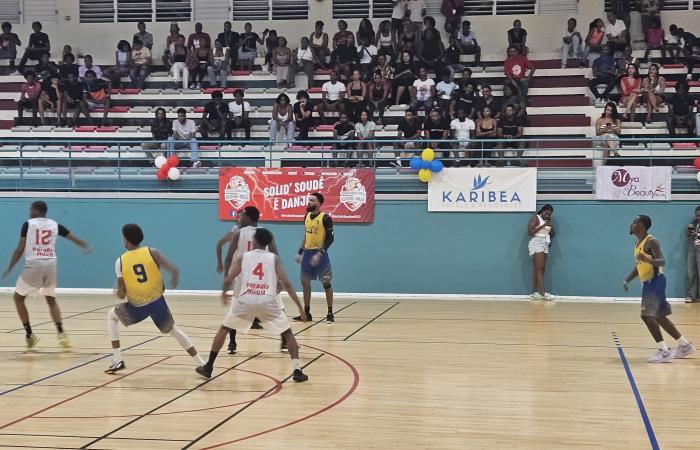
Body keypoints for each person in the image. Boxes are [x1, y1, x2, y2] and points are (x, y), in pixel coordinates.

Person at [197, 228, 309, 381]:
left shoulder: (244, 256)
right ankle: (297, 370)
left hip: (246, 299)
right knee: (287, 333)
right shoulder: (274, 258)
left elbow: (229, 279)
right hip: (267, 300)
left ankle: (208, 366)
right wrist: (300, 308)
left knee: (224, 329)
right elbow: (287, 284)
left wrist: (223, 293)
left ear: (255, 240)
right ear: (268, 243)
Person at [106, 224, 205, 374]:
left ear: (126, 240)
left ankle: (117, 359)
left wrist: (117, 289)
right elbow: (174, 270)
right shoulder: (153, 252)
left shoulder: (120, 261)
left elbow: (122, 294)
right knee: (174, 330)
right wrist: (172, 280)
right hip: (158, 303)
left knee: (111, 316)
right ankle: (201, 362)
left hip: (137, 308)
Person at [2, 201, 90, 348]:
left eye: (31, 209)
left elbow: (20, 249)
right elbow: (72, 237)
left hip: (34, 264)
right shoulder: (55, 224)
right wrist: (84, 245)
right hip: (50, 264)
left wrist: (10, 267)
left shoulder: (28, 224)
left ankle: (30, 335)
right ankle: (61, 334)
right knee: (51, 300)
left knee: (18, 299)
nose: (29, 211)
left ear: (37, 210)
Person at [623, 215, 696, 363]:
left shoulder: (651, 241)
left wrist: (648, 259)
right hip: (649, 283)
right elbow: (639, 265)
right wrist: (627, 279)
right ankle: (685, 345)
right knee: (659, 317)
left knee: (647, 316)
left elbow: (662, 261)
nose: (631, 225)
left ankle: (664, 351)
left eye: (634, 222)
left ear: (641, 226)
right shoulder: (637, 243)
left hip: (656, 282)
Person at [219, 206, 278, 353]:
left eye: (242, 216)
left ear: (248, 218)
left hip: (244, 277)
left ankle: (232, 343)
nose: (239, 218)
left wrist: (227, 277)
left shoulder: (239, 233)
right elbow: (276, 255)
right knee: (278, 308)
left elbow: (227, 258)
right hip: (262, 278)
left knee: (234, 311)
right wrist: (277, 277)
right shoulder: (264, 233)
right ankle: (284, 340)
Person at [294, 193, 335, 323]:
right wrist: (300, 252)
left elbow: (331, 238)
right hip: (307, 254)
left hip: (320, 253)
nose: (309, 202)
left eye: (312, 200)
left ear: (318, 203)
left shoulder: (326, 218)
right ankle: (306, 313)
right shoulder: (306, 216)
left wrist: (320, 253)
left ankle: (330, 313)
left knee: (326, 283)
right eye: (309, 200)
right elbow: (306, 235)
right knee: (304, 282)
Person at [528, 205, 555, 300]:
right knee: (540, 268)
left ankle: (533, 293)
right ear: (542, 211)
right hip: (536, 243)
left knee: (539, 269)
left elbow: (553, 234)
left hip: (545, 244)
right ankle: (543, 293)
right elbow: (530, 232)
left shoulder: (548, 221)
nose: (548, 216)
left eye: (550, 215)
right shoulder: (535, 218)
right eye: (546, 213)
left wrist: (551, 227)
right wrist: (543, 225)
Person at [685, 207, 700, 303]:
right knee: (691, 273)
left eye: (699, 215)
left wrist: (697, 235)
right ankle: (691, 296)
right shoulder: (693, 223)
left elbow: (697, 235)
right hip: (692, 250)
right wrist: (688, 231)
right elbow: (687, 234)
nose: (697, 217)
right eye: (696, 215)